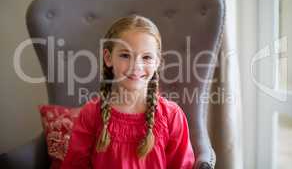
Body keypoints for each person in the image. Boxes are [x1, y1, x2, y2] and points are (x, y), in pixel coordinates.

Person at [61, 15, 195, 169]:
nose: (136, 66)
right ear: (108, 58)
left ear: (157, 62)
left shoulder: (171, 116)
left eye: (146, 57)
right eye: (125, 55)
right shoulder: (92, 113)